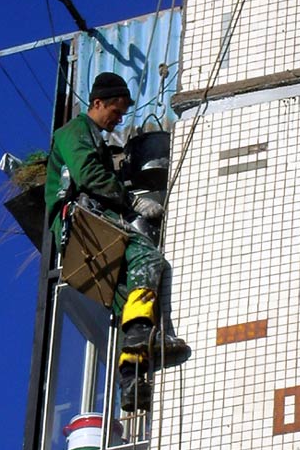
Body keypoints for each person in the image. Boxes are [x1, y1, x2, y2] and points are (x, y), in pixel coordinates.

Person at [45, 72, 191, 413]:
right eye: (117, 111)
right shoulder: (75, 132)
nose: (119, 119)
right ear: (98, 103)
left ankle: (131, 377)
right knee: (148, 259)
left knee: (128, 300)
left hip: (84, 232)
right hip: (82, 219)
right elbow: (89, 176)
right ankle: (142, 338)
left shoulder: (92, 136)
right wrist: (133, 202)